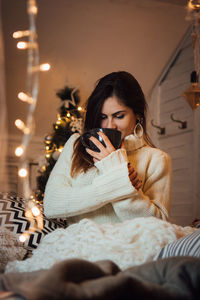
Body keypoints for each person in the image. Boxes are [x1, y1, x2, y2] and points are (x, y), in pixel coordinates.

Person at [43, 71, 172, 224]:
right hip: (78, 243)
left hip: (129, 245)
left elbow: (157, 224)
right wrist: (118, 181)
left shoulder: (157, 159)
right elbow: (51, 205)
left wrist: (113, 166)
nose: (110, 126)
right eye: (103, 117)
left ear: (137, 115)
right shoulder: (76, 144)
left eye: (119, 116)